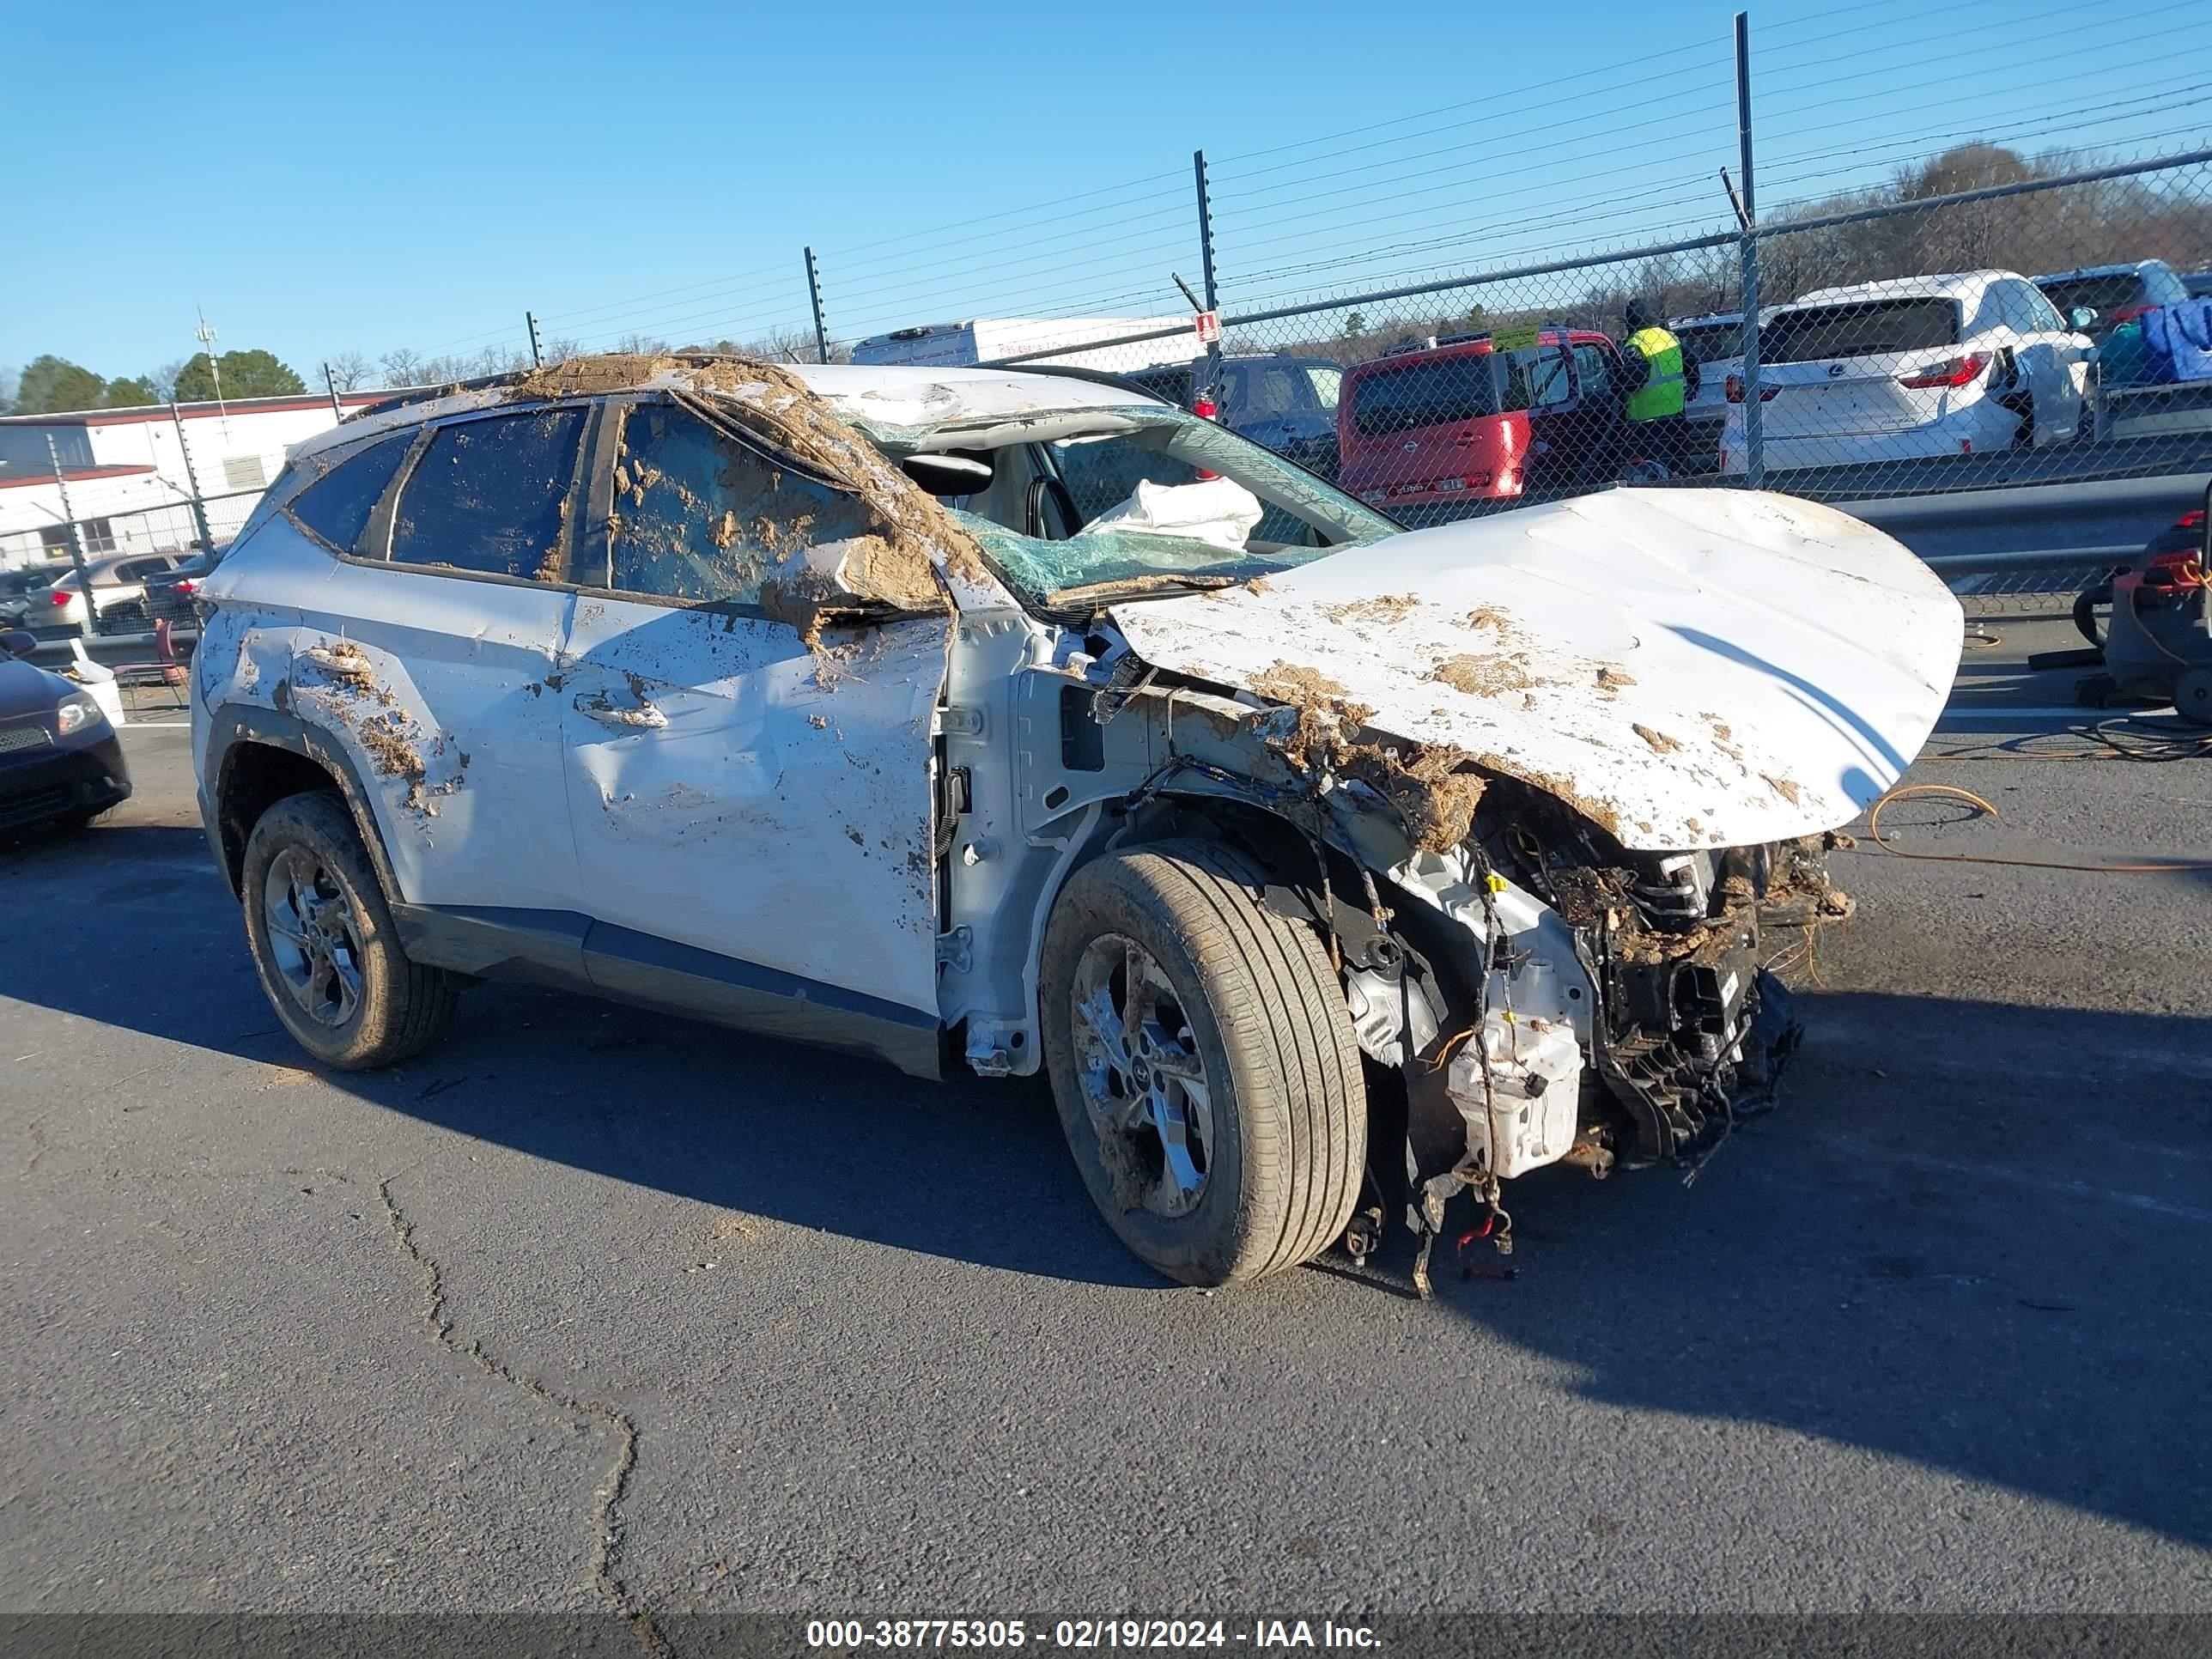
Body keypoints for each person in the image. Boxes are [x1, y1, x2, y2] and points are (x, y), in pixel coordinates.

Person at [1617, 299, 1698, 477]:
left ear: (1630, 321)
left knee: (1652, 473)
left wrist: (1619, 381)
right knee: (1679, 466)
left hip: (1646, 422)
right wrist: (1694, 385)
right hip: (1676, 414)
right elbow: (1691, 362)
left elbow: (1634, 382)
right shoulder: (1671, 337)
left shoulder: (1635, 344)